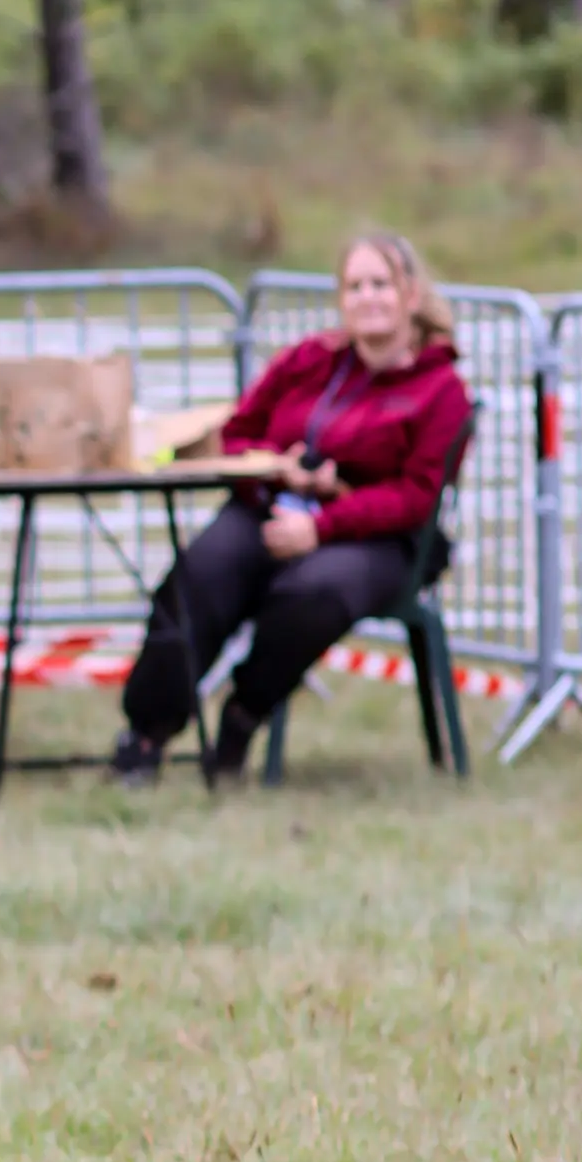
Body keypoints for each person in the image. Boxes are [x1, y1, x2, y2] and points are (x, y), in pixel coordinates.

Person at [111, 230, 471, 781]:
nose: (367, 297)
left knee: (313, 590)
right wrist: (272, 469)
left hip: (377, 537)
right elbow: (234, 435)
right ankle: (145, 735)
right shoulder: (308, 360)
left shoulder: (441, 390)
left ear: (411, 296)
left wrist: (324, 523)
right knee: (203, 572)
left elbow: (416, 495)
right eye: (355, 286)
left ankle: (242, 717)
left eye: (381, 284)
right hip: (268, 505)